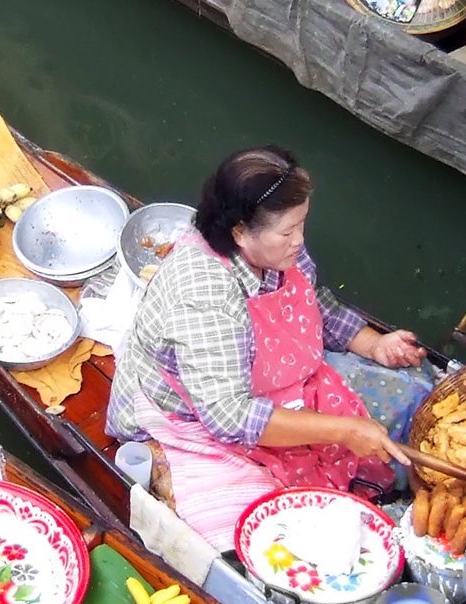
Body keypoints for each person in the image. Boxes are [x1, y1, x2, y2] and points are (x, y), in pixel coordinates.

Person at [108, 146, 426, 548]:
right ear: (240, 231)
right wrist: (344, 431)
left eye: (302, 224)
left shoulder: (277, 250)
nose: (300, 240)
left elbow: (316, 303)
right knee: (264, 534)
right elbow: (229, 416)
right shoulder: (205, 294)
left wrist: (375, 344)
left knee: (414, 397)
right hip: (196, 414)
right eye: (288, 231)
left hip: (276, 382)